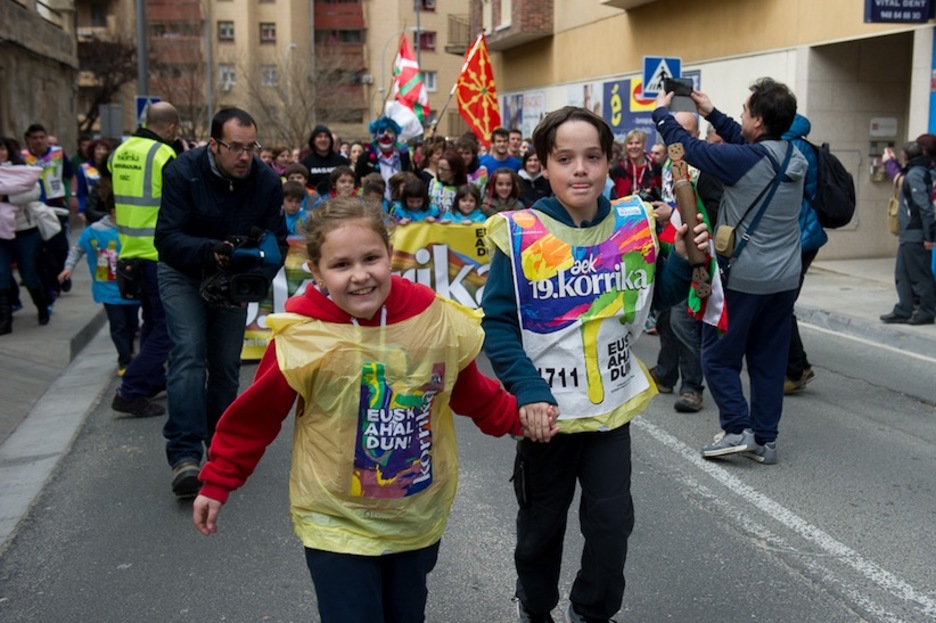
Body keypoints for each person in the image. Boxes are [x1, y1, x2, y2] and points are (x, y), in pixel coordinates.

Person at [192, 197, 555, 622]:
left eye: (371, 258)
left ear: (390, 255)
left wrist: (518, 419)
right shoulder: (303, 337)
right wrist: (218, 480)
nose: (360, 275)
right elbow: (256, 417)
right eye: (341, 265)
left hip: (413, 515)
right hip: (334, 519)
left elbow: (468, 389)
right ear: (316, 272)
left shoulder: (431, 319)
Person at [482, 106, 705, 623]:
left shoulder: (632, 224)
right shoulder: (518, 233)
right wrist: (528, 390)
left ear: (608, 164)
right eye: (565, 158)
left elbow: (656, 297)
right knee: (541, 528)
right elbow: (496, 324)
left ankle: (592, 611)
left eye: (591, 157)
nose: (579, 169)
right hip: (546, 419)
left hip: (610, 414)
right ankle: (535, 606)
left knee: (610, 526)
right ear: (543, 165)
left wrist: (680, 257)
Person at [653, 77, 807, 465]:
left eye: (744, 110)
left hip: (744, 277)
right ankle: (765, 441)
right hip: (785, 278)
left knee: (717, 356)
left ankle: (737, 428)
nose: (739, 116)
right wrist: (711, 113)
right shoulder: (794, 156)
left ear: (757, 120)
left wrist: (660, 112)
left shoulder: (744, 161)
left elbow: (685, 147)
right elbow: (746, 141)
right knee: (768, 361)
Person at [154, 107, 288, 498]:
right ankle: (184, 456)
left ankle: (219, 445)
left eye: (251, 147)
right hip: (183, 271)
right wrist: (212, 250)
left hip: (233, 278)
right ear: (213, 145)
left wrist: (254, 276)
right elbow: (166, 239)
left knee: (227, 365)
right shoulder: (182, 171)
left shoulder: (266, 181)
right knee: (189, 356)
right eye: (235, 148)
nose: (245, 156)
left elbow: (277, 241)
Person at [109, 101, 181, 419]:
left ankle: (151, 380)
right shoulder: (163, 154)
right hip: (156, 251)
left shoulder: (120, 151)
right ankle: (132, 389)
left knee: (150, 322)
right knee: (167, 327)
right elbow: (176, 201)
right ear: (171, 128)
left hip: (128, 250)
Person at [648, 111, 710, 414]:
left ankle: (692, 387)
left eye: (681, 131)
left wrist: (670, 211)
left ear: (695, 134)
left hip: (695, 250)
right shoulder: (668, 164)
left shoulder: (704, 164)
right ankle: (665, 373)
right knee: (665, 318)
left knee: (682, 320)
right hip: (668, 246)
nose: (674, 137)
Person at [58, 198, 140, 375]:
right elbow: (78, 249)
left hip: (132, 288)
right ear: (112, 210)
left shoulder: (135, 229)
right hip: (107, 289)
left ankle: (130, 349)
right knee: (118, 325)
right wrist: (68, 268)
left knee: (132, 323)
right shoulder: (94, 231)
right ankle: (124, 360)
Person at [781, 114, 828, 392]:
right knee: (781, 305)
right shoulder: (798, 144)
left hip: (800, 236)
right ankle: (795, 367)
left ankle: (797, 369)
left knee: (781, 305)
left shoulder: (792, 149)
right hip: (801, 235)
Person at [880, 136, 936, 325]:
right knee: (902, 273)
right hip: (909, 233)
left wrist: (929, 236)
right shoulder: (916, 171)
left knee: (920, 275)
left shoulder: (916, 175)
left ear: (905, 157)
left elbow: (925, 207)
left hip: (916, 233)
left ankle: (927, 311)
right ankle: (904, 308)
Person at [22, 123, 77, 298]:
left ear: (46, 138)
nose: (39, 141)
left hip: (56, 203)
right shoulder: (23, 157)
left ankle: (64, 273)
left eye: (41, 137)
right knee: (44, 248)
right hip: (34, 205)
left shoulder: (57, 154)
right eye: (35, 138)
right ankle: (53, 283)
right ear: (29, 140)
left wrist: (73, 195)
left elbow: (71, 175)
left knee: (59, 245)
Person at [0, 136, 46, 333]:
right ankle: (5, 319)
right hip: (1, 234)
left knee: (28, 275)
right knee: (1, 275)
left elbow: (34, 192)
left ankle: (42, 307)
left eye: (1, 148)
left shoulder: (21, 168)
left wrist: (6, 197)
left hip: (25, 230)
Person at [609, 129, 661, 201]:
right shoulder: (617, 170)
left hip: (651, 210)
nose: (634, 146)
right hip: (624, 210)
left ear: (644, 145)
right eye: (630, 143)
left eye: (637, 143)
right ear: (626, 146)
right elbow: (612, 197)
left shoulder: (656, 168)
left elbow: (663, 194)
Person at [300, 124, 348, 195]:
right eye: (319, 136)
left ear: (330, 140)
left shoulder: (342, 161)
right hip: (312, 201)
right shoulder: (305, 162)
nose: (323, 139)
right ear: (313, 140)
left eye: (326, 136)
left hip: (338, 200)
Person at [75, 139, 111, 218]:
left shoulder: (111, 167)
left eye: (104, 149)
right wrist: (81, 210)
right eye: (98, 149)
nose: (101, 152)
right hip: (91, 208)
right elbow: (81, 191)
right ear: (92, 151)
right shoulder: (84, 168)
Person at [428, 149, 467, 215]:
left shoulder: (464, 188)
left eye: (444, 170)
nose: (440, 172)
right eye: (439, 168)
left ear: (454, 171)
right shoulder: (433, 182)